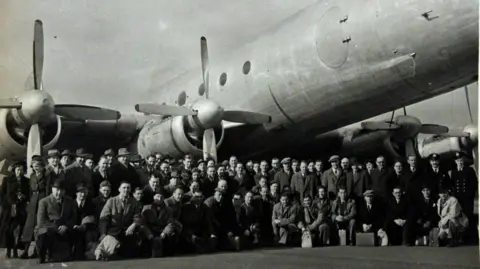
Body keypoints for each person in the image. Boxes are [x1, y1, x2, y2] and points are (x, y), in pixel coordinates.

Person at [98, 181, 143, 260]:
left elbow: (137, 216)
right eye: (124, 188)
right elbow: (103, 218)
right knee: (109, 251)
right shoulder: (111, 201)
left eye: (128, 188)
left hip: (127, 231)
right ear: (119, 189)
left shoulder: (134, 202)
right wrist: (103, 233)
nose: (126, 190)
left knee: (131, 254)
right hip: (113, 231)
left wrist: (134, 225)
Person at [35, 179, 77, 264]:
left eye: (62, 190)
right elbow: (41, 221)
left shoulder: (70, 201)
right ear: (52, 189)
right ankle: (42, 255)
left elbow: (73, 218)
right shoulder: (44, 202)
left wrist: (66, 226)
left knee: (62, 257)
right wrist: (56, 228)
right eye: (57, 190)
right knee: (43, 233)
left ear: (65, 191)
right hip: (48, 229)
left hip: (64, 230)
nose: (59, 192)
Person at [20, 156, 53, 259]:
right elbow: (30, 190)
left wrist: (47, 203)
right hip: (33, 202)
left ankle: (37, 251)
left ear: (42, 166)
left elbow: (48, 189)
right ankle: (25, 251)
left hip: (42, 200)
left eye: (38, 166)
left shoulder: (47, 175)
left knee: (39, 226)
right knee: (28, 228)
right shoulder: (32, 176)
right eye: (34, 166)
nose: (36, 168)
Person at [0, 161, 30, 258]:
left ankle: (15, 249)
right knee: (8, 230)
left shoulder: (26, 181)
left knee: (17, 230)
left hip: (20, 209)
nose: (19, 172)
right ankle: (9, 250)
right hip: (8, 210)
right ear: (14, 170)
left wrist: (24, 197)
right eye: (17, 170)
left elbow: (29, 195)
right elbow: (1, 194)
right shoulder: (7, 180)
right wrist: (5, 205)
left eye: (21, 170)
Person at [142, 192, 182, 257]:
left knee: (172, 234)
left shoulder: (168, 209)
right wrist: (148, 233)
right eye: (157, 196)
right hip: (150, 230)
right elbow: (143, 223)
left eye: (161, 197)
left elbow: (170, 223)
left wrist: (165, 232)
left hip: (162, 230)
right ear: (153, 198)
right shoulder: (146, 208)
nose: (159, 198)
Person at [71, 184, 97, 260]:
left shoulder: (91, 204)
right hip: (73, 227)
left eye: (85, 192)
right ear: (76, 193)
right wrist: (74, 225)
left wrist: (84, 226)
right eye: (80, 192)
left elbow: (92, 218)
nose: (82, 194)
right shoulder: (70, 204)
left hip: (86, 228)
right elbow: (68, 217)